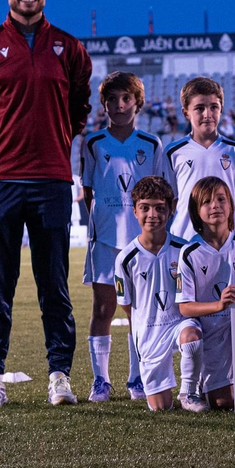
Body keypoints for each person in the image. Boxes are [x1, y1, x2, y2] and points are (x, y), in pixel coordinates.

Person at [0, 0, 93, 410]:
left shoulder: (70, 48)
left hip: (52, 180)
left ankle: (59, 375)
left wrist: (56, 139)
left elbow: (80, 107)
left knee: (54, 287)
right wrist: (0, 146)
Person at [78, 71, 169, 402]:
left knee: (139, 311)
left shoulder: (151, 144)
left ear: (138, 103)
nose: (119, 105)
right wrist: (103, 218)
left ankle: (136, 378)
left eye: (126, 98)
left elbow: (159, 190)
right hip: (104, 238)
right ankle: (100, 380)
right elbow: (88, 190)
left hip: (141, 242)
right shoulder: (92, 143)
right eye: (112, 99)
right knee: (102, 308)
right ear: (103, 105)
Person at [175, 176, 235, 412]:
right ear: (196, 210)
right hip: (206, 332)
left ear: (231, 205)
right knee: (223, 403)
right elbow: (184, 307)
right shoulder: (189, 252)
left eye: (221, 199)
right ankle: (192, 388)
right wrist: (218, 306)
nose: (215, 206)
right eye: (207, 201)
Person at [112, 176, 186, 413]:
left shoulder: (184, 250)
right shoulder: (125, 258)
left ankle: (191, 389)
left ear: (171, 209)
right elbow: (127, 304)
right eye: (145, 208)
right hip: (149, 333)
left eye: (160, 208)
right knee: (161, 407)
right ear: (135, 211)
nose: (152, 214)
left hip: (180, 324)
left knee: (193, 338)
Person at [164, 77, 235, 241]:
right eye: (199, 108)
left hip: (228, 239)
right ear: (185, 112)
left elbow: (234, 199)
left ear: (221, 109)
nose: (207, 114)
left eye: (213, 107)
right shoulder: (173, 152)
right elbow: (172, 202)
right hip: (186, 238)